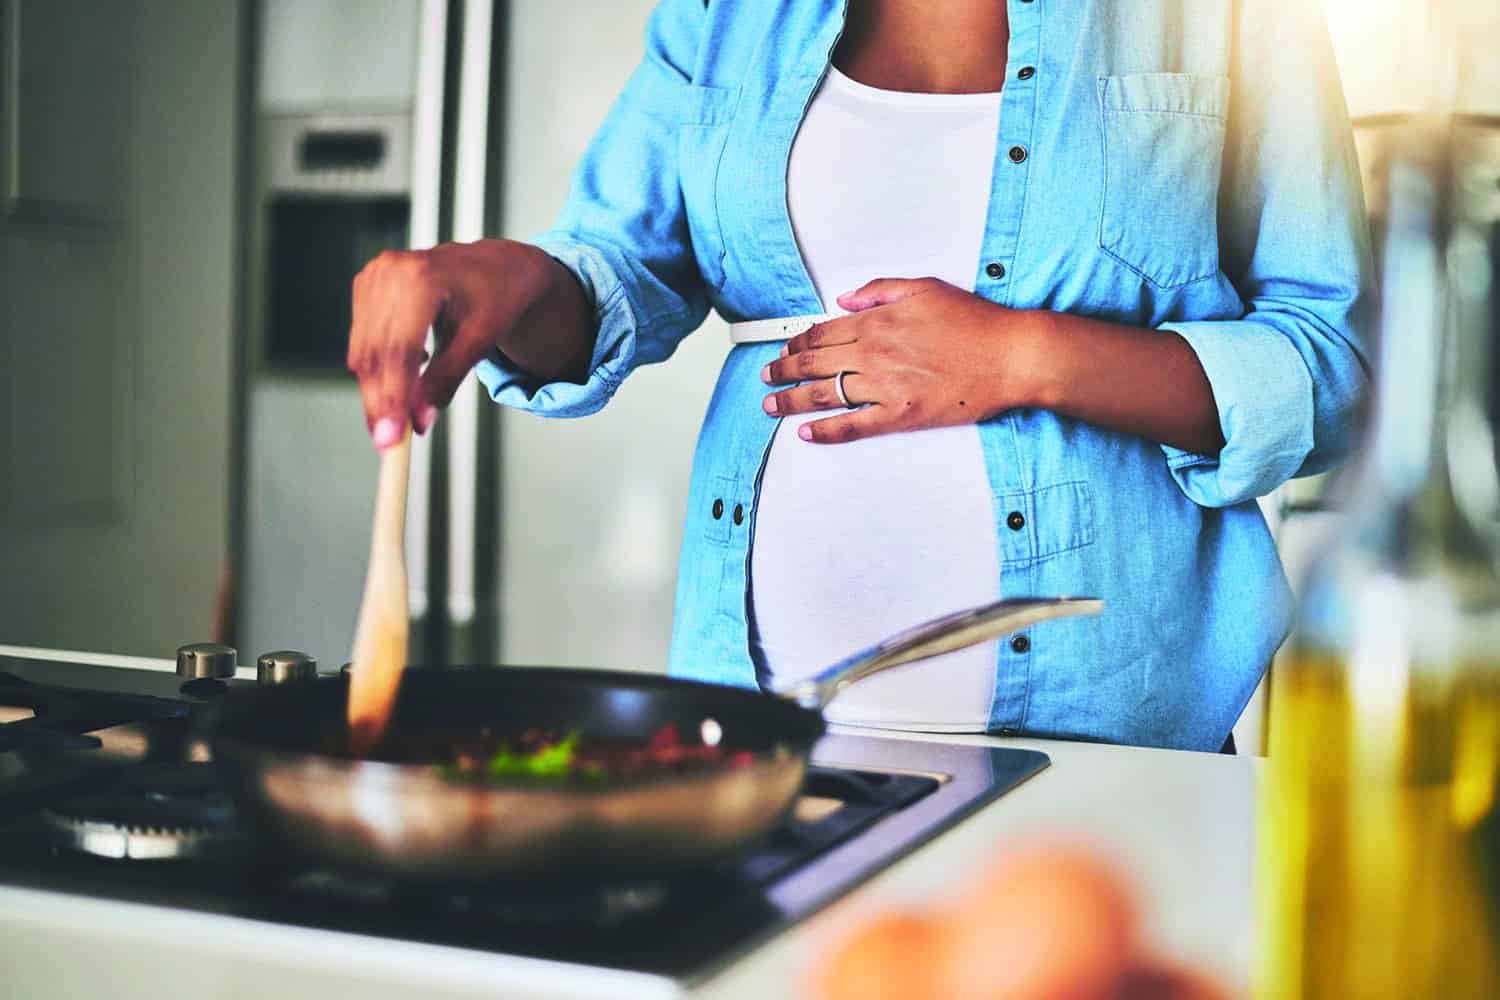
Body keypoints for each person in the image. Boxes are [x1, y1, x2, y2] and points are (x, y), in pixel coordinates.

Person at [346, 0, 1372, 751]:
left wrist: (1022, 357)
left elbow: (1337, 367)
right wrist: (500, 277)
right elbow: (611, 273)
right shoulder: (723, 17)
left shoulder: (1229, 17)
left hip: (1106, 747)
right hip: (759, 740)